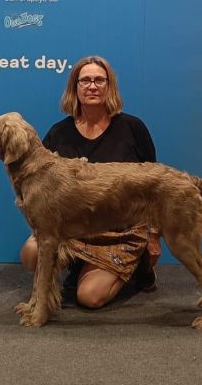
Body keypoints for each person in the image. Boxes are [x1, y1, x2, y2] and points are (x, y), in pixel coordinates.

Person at [19, 55, 161, 309]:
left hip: (121, 232)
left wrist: (154, 236)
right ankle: (74, 270)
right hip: (74, 229)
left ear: (109, 86)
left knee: (89, 297)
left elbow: (155, 187)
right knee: (30, 253)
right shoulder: (58, 133)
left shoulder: (132, 128)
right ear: (75, 87)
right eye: (85, 81)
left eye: (99, 80)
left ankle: (138, 268)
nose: (92, 86)